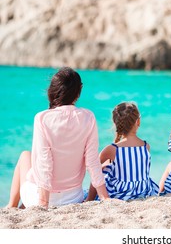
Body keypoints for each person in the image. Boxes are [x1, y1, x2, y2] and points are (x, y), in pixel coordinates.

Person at [6, 67, 109, 208]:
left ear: (53, 91)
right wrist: (105, 197)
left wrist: (43, 203)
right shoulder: (88, 117)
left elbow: (44, 163)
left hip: (42, 198)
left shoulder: (42, 118)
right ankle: (19, 206)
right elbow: (92, 161)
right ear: (78, 93)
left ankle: (11, 206)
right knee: (31, 163)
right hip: (74, 197)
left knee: (25, 156)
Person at [86, 102, 159, 201]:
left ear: (116, 123)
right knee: (109, 165)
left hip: (121, 192)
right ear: (138, 122)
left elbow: (94, 168)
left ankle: (89, 199)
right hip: (142, 190)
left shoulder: (112, 149)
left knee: (102, 169)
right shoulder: (146, 146)